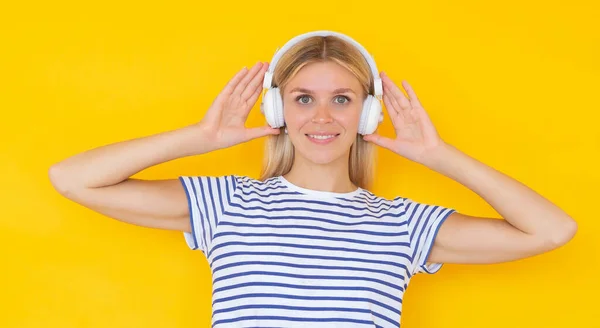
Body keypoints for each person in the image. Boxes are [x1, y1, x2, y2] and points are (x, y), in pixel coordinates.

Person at [49, 31, 577, 328]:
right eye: (304, 98)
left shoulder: (402, 224)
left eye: (341, 99)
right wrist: (200, 137)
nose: (322, 117)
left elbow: (551, 231)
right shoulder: (227, 203)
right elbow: (72, 179)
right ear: (278, 107)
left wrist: (439, 157)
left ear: (367, 116)